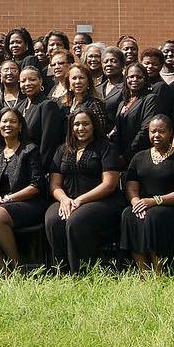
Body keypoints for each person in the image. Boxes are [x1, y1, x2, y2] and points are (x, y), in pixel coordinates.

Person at [45, 107, 123, 272]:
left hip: (102, 201)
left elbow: (109, 184)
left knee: (76, 220)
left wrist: (80, 200)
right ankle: (62, 271)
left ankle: (83, 272)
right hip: (68, 201)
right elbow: (54, 184)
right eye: (77, 124)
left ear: (93, 125)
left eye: (85, 124)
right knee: (53, 220)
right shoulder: (62, 150)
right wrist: (64, 199)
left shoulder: (106, 148)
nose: (81, 128)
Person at [0, 107, 46, 271]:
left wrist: (9, 199)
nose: (8, 125)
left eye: (13, 121)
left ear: (20, 126)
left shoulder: (30, 149)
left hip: (29, 203)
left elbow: (36, 185)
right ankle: (3, 268)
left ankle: (17, 266)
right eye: (4, 121)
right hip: (2, 203)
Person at [120, 115, 174, 271]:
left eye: (162, 131)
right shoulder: (139, 157)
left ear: (170, 132)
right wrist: (136, 203)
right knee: (128, 214)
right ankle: (144, 271)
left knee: (154, 215)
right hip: (145, 206)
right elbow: (131, 187)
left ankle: (158, 271)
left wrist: (155, 201)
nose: (156, 135)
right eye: (153, 131)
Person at [112, 63, 157, 164]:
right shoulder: (122, 104)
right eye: (131, 77)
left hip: (138, 155)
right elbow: (117, 131)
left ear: (145, 80)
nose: (135, 80)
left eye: (139, 77)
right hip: (120, 156)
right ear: (126, 79)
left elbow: (145, 129)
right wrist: (118, 153)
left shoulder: (150, 99)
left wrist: (127, 154)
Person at [18, 66, 65, 161]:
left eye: (32, 79)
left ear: (40, 81)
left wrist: (40, 168)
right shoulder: (19, 107)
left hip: (37, 164)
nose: (27, 83)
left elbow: (49, 142)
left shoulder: (48, 106)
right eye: (23, 81)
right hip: (19, 162)